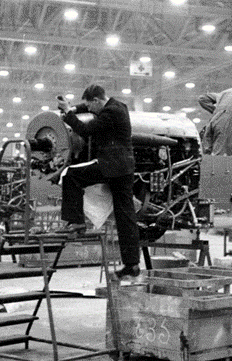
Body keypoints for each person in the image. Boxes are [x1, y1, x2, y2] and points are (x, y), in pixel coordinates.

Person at [56, 84, 141, 279]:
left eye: (90, 105)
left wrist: (69, 115)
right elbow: (86, 108)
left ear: (97, 100)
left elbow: (85, 130)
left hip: (112, 165)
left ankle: (76, 222)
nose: (90, 109)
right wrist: (71, 107)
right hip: (125, 167)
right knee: (125, 216)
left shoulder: (110, 113)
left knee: (71, 175)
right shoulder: (118, 106)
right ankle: (132, 265)